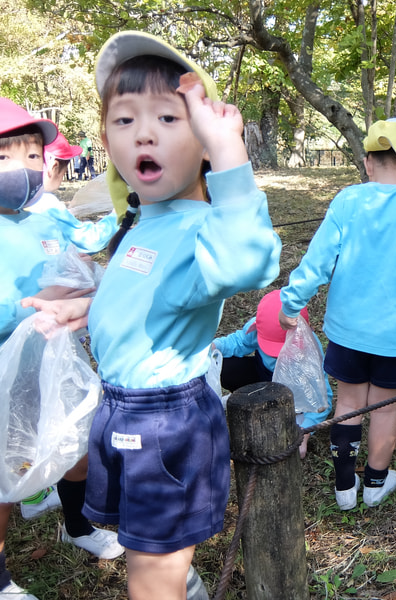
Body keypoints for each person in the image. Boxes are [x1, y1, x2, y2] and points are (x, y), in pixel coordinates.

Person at [22, 31, 282, 600]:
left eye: (169, 118)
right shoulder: (149, 224)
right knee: (144, 541)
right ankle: (176, 576)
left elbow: (248, 261)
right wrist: (85, 308)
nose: (143, 131)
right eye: (125, 120)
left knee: (148, 575)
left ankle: (168, 579)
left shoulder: (200, 231)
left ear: (206, 140)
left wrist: (230, 153)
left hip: (164, 424)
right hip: (121, 410)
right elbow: (148, 294)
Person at [278, 118, 396, 510]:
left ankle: (344, 490)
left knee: (348, 404)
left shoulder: (348, 200)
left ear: (368, 163)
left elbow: (317, 261)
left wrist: (290, 303)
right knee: (386, 407)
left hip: (346, 332)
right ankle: (374, 484)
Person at [0, 97, 124, 600]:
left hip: (51, 361)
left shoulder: (45, 214)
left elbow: (82, 252)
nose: (25, 171)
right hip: (4, 368)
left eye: (33, 158)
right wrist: (34, 310)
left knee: (77, 445)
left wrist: (125, 216)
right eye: (5, 157)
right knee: (3, 473)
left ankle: (78, 526)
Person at [212, 290, 332, 458]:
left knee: (283, 433)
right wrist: (214, 346)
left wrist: (305, 432)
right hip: (265, 380)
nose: (278, 355)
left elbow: (322, 397)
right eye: (272, 348)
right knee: (228, 368)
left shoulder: (311, 350)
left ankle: (288, 413)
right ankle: (248, 398)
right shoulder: (258, 328)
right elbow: (238, 342)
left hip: (293, 394)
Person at [25, 131, 118, 253]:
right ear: (54, 166)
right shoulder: (46, 204)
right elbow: (90, 241)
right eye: (64, 171)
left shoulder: (17, 203)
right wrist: (117, 216)